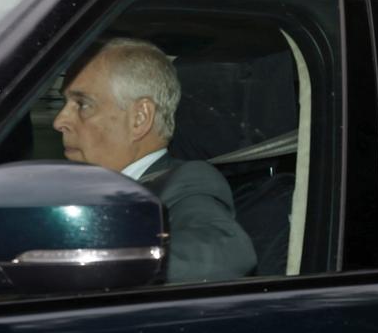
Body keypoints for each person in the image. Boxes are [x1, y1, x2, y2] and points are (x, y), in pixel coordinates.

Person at [53, 38, 256, 282]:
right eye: (65, 104)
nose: (59, 121)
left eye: (82, 104)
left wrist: (93, 258)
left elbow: (227, 251)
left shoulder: (186, 181)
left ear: (139, 118)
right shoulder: (66, 189)